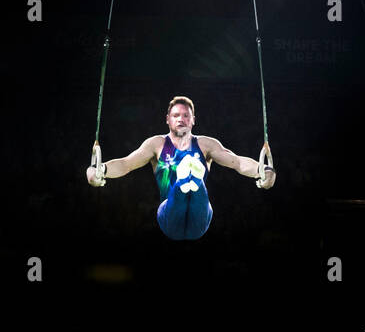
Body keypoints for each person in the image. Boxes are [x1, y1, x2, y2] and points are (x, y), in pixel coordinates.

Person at [86, 96, 275, 240]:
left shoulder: (206, 144)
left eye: (186, 115)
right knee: (179, 193)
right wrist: (100, 169)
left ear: (193, 120)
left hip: (200, 218)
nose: (181, 119)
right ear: (167, 119)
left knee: (198, 189)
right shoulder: (157, 144)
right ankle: (187, 178)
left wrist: (263, 170)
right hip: (168, 212)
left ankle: (191, 179)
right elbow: (126, 163)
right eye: (176, 115)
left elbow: (238, 162)